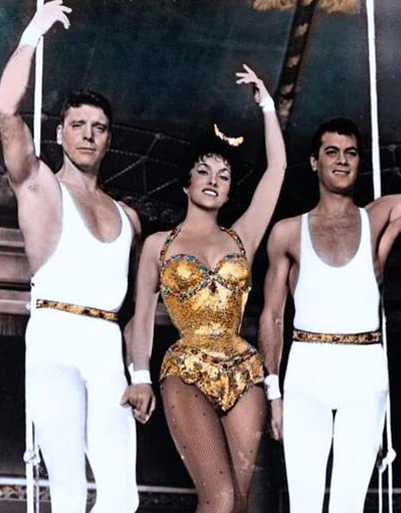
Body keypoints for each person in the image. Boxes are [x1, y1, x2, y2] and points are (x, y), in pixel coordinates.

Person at [258, 53, 401, 513]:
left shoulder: (378, 219)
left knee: (349, 505)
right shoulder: (287, 233)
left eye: (351, 153)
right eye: (332, 152)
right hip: (307, 370)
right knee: (303, 504)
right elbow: (272, 316)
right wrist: (273, 392)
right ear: (314, 161)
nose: (342, 161)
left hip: (364, 370)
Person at [0, 2, 141, 512]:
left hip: (106, 344)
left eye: (98, 127)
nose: (88, 134)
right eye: (78, 124)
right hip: (55, 337)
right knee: (70, 494)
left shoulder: (128, 217)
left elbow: (135, 309)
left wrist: (140, 375)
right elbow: (6, 111)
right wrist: (32, 33)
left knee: (122, 497)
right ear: (61, 133)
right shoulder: (39, 187)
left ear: (108, 140)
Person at [121, 65, 286, 513]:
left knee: (241, 503)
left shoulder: (242, 237)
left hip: (244, 371)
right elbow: (141, 317)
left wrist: (268, 106)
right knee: (220, 497)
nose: (213, 180)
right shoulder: (159, 245)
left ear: (229, 191)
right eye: (204, 171)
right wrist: (140, 378)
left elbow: (277, 170)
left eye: (224, 175)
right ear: (186, 182)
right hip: (186, 369)